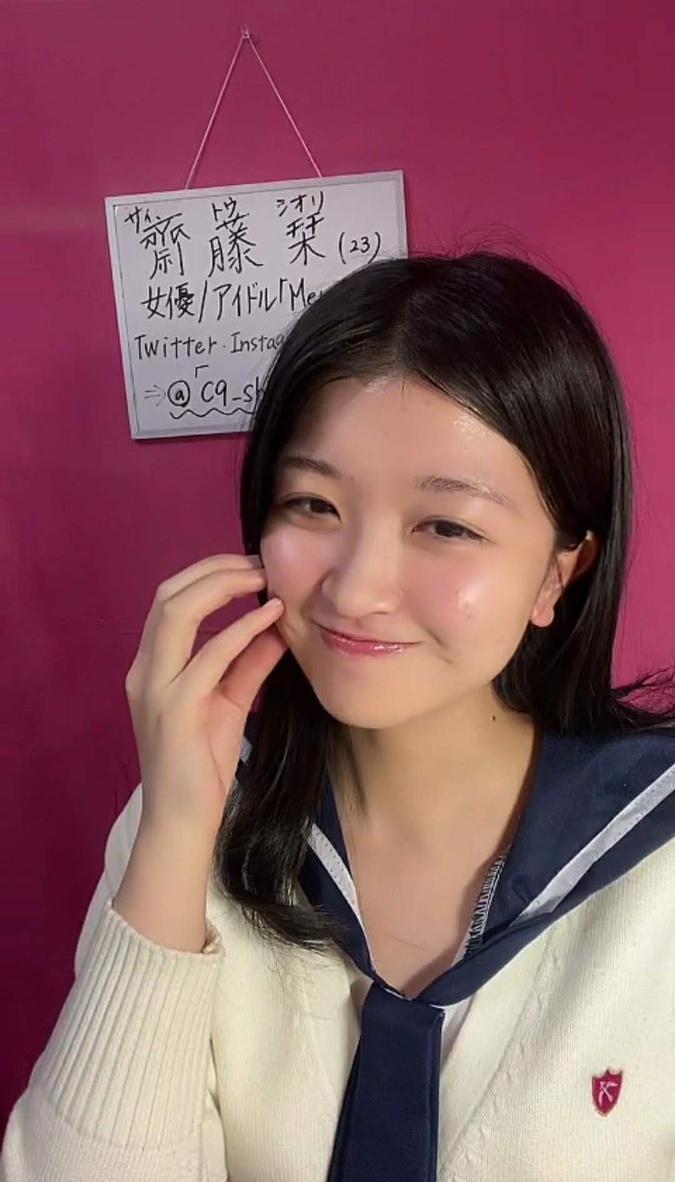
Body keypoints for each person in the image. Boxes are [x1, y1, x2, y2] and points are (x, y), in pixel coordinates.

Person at [3, 253, 675, 1182]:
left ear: (557, 573)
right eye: (313, 504)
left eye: (446, 525)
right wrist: (175, 830)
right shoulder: (194, 816)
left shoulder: (653, 857)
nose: (354, 590)